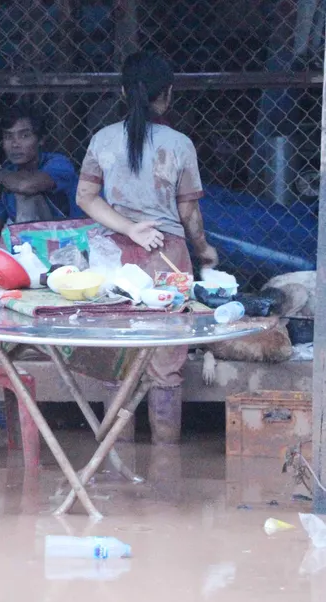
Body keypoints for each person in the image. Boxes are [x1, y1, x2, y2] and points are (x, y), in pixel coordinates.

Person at [76, 51, 219, 448]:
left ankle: (113, 462)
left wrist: (128, 228)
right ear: (167, 94)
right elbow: (188, 212)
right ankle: (165, 465)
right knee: (166, 367)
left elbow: (86, 197)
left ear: (124, 93)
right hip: (166, 256)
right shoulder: (180, 144)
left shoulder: (103, 140)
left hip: (113, 259)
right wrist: (204, 249)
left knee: (116, 362)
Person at [0, 100, 84, 277]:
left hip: (73, 251)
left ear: (41, 140)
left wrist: (1, 176)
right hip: (29, 256)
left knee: (26, 195)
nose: (15, 144)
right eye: (8, 137)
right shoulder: (6, 178)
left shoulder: (57, 164)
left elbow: (27, 186)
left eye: (24, 136)